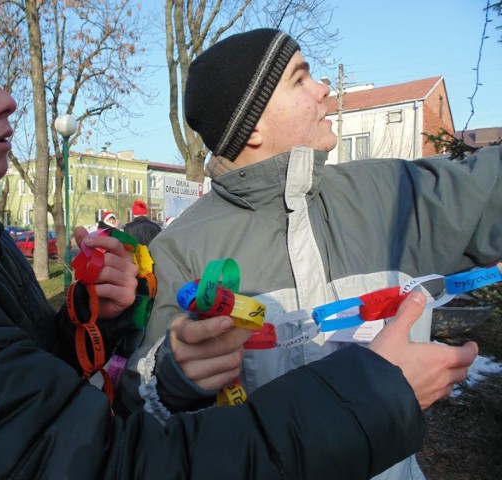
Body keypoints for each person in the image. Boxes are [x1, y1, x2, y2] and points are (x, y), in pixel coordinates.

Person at [0, 4, 479, 478]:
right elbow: (101, 457)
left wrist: (91, 318)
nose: (5, 100)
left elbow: (18, 393)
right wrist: (373, 397)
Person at [117, 28, 502, 479]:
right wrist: (175, 381)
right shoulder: (181, 249)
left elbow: (485, 189)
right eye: (301, 79)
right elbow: (141, 422)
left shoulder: (386, 194)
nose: (325, 89)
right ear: (253, 124)